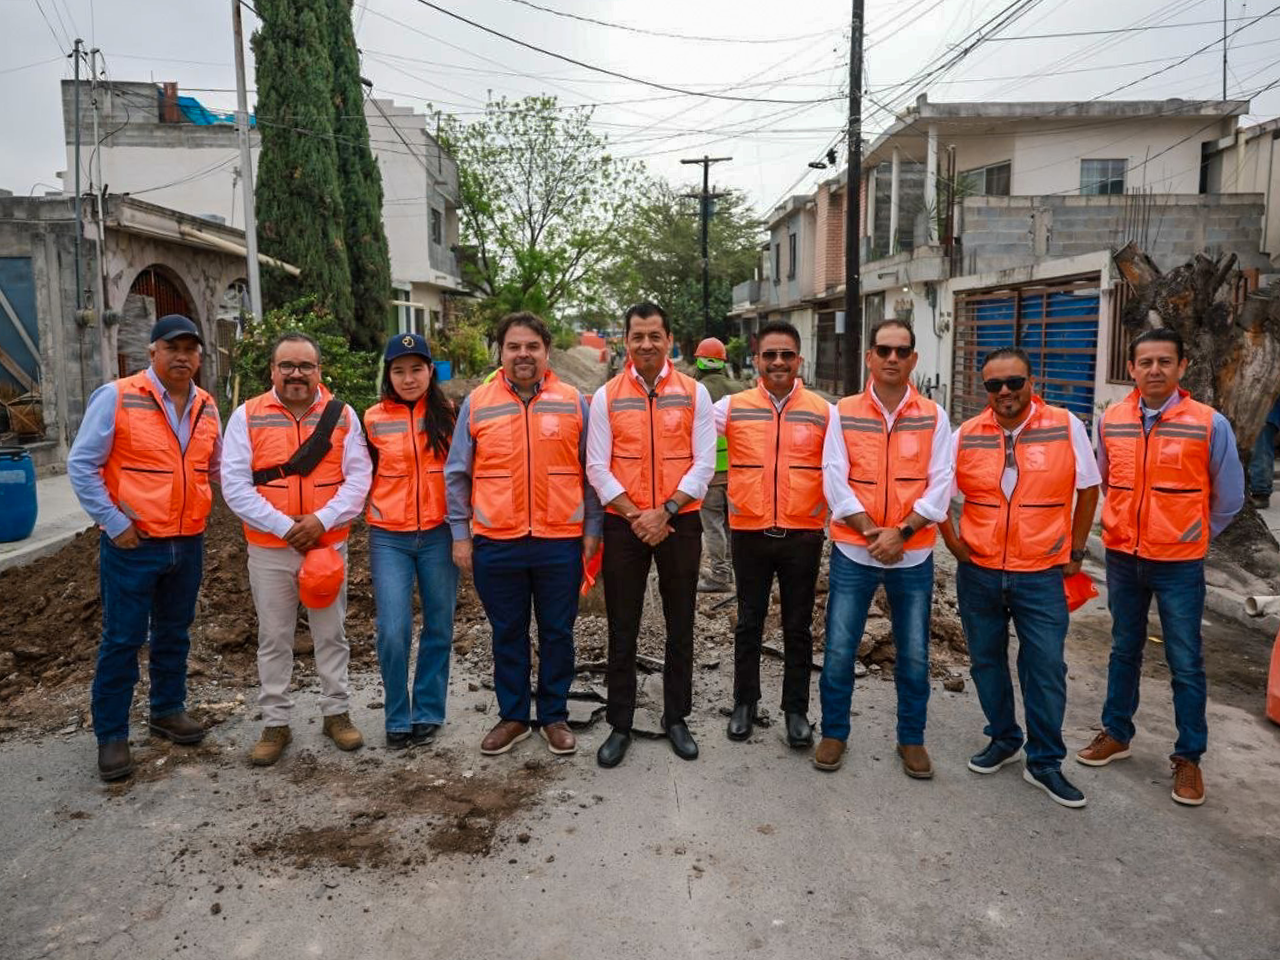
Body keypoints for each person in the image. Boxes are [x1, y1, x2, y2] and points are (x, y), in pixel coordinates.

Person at [1076, 328, 1245, 806]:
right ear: (1131, 369)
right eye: (1145, 362)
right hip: (1125, 558)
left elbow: (1229, 497)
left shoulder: (1209, 424)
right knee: (1124, 649)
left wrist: (1193, 531)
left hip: (1179, 564)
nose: (1154, 370)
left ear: (1182, 367)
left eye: (1164, 362)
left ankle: (1188, 758)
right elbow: (1106, 479)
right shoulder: (1112, 420)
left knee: (1185, 661)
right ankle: (1116, 733)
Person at [939, 347, 1100, 808]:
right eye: (994, 385)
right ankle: (1004, 738)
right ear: (983, 389)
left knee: (1046, 667)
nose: (1005, 392)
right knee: (986, 662)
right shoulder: (966, 434)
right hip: (981, 572)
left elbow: (1088, 488)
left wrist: (1075, 548)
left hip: (1041, 573)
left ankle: (1046, 761)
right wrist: (952, 542)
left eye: (1014, 382)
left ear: (1033, 382)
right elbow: (938, 493)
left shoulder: (1066, 425)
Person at [67, 314, 223, 781]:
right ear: (152, 352)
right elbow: (81, 465)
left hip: (187, 540)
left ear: (199, 356)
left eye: (190, 350)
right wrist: (114, 523)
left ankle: (167, 710)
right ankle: (112, 735)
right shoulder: (117, 396)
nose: (182, 357)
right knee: (123, 638)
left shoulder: (207, 405)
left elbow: (214, 468)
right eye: (172, 348)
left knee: (175, 632)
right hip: (134, 544)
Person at [446, 312, 601, 757]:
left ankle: (553, 716)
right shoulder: (478, 403)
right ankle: (513, 716)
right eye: (514, 346)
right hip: (497, 540)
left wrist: (592, 527)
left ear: (547, 352)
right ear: (501, 352)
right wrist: (461, 534)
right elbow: (457, 474)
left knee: (557, 632)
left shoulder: (573, 401)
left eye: (532, 346)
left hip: (559, 541)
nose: (523, 354)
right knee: (507, 631)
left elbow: (589, 472)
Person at [222, 332, 372, 766]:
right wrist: (287, 528)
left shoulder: (342, 416)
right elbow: (233, 485)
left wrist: (322, 522)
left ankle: (336, 713)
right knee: (273, 637)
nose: (296, 374)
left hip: (327, 546)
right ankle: (276, 721)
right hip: (270, 550)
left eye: (305, 365)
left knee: (332, 633)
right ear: (272, 371)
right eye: (287, 365)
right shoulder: (246, 416)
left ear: (319, 370)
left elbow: (359, 478)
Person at [815, 319, 953, 777]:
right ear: (869, 357)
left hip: (912, 556)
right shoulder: (843, 412)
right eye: (884, 350)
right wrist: (875, 532)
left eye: (902, 351)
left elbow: (941, 485)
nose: (892, 358)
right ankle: (834, 733)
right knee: (839, 648)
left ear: (914, 359)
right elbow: (835, 479)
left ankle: (911, 740)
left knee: (914, 653)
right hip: (855, 551)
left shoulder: (935, 416)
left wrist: (903, 533)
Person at [586, 302, 715, 767]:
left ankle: (676, 717)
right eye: (637, 336)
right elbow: (597, 465)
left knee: (681, 623)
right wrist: (638, 514)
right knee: (623, 625)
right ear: (626, 341)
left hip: (680, 520)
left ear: (669, 340)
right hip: (625, 523)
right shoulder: (606, 397)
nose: (646, 344)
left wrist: (666, 511)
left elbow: (705, 462)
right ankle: (620, 723)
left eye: (654, 335)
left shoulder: (695, 393)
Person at [715, 320, 831, 748]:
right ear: (757, 360)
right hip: (750, 531)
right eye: (769, 355)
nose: (778, 362)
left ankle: (795, 710)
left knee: (798, 627)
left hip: (803, 534)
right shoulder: (731, 407)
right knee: (749, 622)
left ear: (799, 360)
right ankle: (744, 702)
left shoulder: (823, 411)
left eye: (786, 355)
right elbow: (686, 438)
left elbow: (842, 469)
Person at [363, 333, 458, 750]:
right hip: (390, 537)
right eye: (399, 370)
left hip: (439, 534)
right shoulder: (371, 419)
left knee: (439, 625)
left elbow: (463, 474)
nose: (408, 378)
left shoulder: (450, 415)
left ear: (430, 371)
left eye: (416, 369)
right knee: (394, 629)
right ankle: (396, 714)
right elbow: (356, 475)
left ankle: (427, 711)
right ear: (388, 374)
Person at [693, 336, 744, 593]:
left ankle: (720, 575)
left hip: (711, 470)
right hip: (739, 469)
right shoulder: (742, 388)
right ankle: (733, 570)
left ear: (699, 362)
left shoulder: (695, 389)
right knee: (731, 522)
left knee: (712, 523)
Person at [1249, 397, 1280, 508]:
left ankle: (1260, 492)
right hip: (1262, 410)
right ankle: (1260, 490)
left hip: (1264, 411)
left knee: (1261, 449)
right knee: (1261, 448)